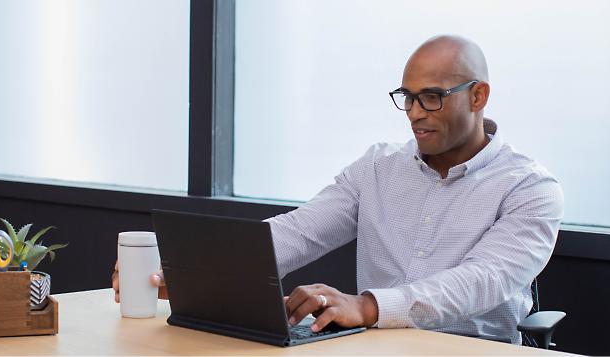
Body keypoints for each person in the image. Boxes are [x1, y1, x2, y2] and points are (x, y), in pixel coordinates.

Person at [112, 34, 564, 344]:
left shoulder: (529, 188)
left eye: (431, 96)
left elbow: (482, 282)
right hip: (370, 347)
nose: (413, 113)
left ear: (478, 96)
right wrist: (196, 271)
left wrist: (367, 306)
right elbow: (300, 231)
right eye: (406, 97)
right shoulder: (377, 167)